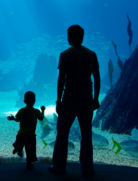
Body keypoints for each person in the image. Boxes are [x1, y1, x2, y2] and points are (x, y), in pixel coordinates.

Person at [49, 25, 100, 178]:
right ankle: (87, 168)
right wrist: (96, 98)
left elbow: (61, 79)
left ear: (69, 37)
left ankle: (59, 166)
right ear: (82, 37)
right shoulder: (92, 54)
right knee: (86, 134)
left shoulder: (65, 54)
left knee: (62, 133)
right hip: (86, 99)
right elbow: (97, 78)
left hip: (69, 98)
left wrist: (58, 100)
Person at [7, 91, 45, 170]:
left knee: (20, 142)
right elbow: (41, 118)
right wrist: (43, 110)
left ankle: (18, 147)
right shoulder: (36, 111)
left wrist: (12, 118)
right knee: (30, 150)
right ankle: (29, 164)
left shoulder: (22, 110)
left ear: (24, 101)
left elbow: (17, 119)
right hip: (31, 135)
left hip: (21, 134)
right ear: (34, 101)